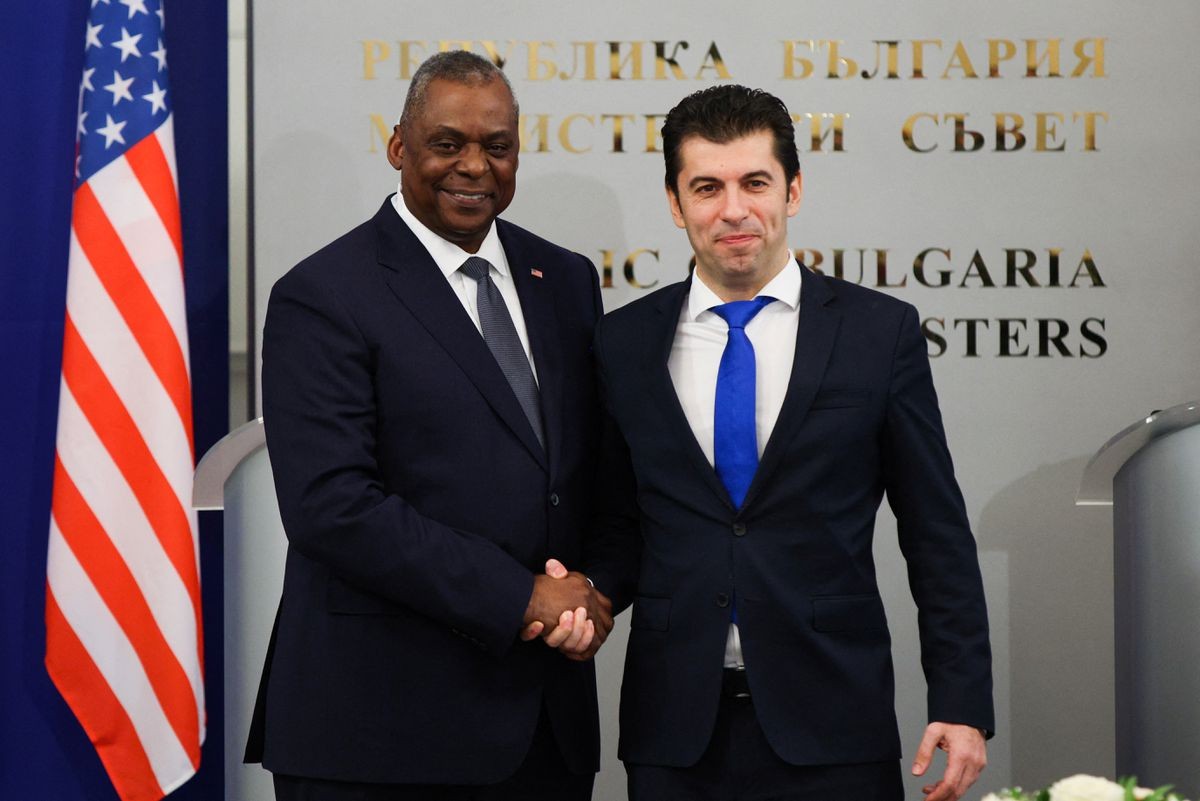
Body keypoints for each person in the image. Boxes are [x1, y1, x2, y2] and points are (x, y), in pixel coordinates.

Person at [558, 84, 994, 800]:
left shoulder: (878, 333)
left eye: (754, 182)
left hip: (835, 724)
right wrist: (586, 595)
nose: (733, 209)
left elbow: (936, 531)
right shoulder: (623, 341)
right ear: (675, 202)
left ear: (792, 189)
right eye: (707, 187)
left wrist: (961, 700)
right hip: (674, 733)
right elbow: (618, 523)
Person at [245, 50, 613, 801]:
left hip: (543, 732)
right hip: (378, 737)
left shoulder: (565, 279)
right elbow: (332, 507)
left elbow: (591, 474)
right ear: (399, 147)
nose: (474, 166)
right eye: (448, 143)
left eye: (497, 146)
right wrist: (520, 596)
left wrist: (593, 593)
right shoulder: (323, 293)